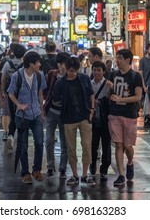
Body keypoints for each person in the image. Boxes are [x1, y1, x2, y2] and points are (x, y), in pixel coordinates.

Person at [53, 56, 95, 186]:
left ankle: (85, 174)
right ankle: (75, 175)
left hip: (84, 116)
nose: (73, 73)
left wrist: (92, 109)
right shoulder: (60, 82)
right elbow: (55, 99)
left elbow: (91, 94)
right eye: (71, 70)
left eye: (75, 70)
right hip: (68, 118)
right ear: (66, 68)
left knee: (87, 146)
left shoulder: (84, 78)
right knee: (71, 148)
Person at [8, 51, 46, 184]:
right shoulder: (16, 76)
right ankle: (25, 173)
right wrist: (19, 105)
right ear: (31, 64)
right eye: (37, 62)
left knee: (39, 143)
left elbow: (40, 93)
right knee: (23, 145)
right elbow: (10, 93)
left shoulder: (40, 75)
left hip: (36, 114)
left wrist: (42, 111)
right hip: (22, 116)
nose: (39, 64)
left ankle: (37, 170)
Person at [108, 49, 142, 187]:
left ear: (128, 60)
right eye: (117, 58)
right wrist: (109, 90)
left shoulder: (135, 76)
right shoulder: (113, 74)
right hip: (115, 113)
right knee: (118, 144)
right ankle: (121, 175)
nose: (117, 60)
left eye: (120, 58)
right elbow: (108, 94)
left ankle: (130, 162)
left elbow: (137, 97)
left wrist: (120, 99)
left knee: (128, 146)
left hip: (129, 114)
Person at [43, 52, 69, 179]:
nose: (62, 67)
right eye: (59, 64)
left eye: (63, 64)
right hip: (52, 111)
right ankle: (50, 166)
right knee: (48, 140)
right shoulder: (52, 74)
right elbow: (45, 91)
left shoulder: (72, 76)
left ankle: (63, 168)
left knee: (65, 142)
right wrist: (44, 106)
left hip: (65, 113)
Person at [90, 61, 111, 181]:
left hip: (105, 118)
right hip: (93, 119)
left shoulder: (108, 84)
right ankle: (92, 167)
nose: (96, 72)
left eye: (99, 70)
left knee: (106, 144)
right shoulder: (89, 84)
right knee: (93, 144)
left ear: (103, 71)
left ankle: (104, 170)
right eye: (94, 70)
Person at [1, 43, 26, 147]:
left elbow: (3, 79)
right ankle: (21, 135)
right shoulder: (25, 65)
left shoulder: (8, 64)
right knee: (22, 114)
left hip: (10, 93)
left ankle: (11, 134)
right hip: (22, 93)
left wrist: (3, 91)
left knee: (12, 114)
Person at [139, 44, 150, 128]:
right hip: (147, 85)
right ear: (147, 50)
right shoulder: (142, 60)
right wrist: (143, 86)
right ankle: (146, 120)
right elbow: (141, 74)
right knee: (146, 104)